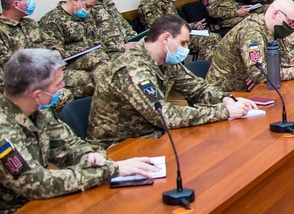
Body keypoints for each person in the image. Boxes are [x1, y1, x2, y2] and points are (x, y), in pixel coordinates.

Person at [0, 48, 158, 214]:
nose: (63, 87)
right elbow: (36, 183)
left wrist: (89, 155)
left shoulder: (35, 110)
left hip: (33, 206)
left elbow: (69, 145)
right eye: (58, 84)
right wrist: (110, 170)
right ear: (37, 95)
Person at [88, 14, 254, 147]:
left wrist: (226, 99)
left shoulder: (166, 61)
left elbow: (197, 88)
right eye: (183, 43)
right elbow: (165, 115)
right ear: (166, 38)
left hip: (152, 136)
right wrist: (224, 111)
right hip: (121, 147)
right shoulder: (132, 69)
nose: (186, 49)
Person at [206, 0, 294, 92]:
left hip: (249, 90)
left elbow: (281, 62)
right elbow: (258, 73)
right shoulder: (251, 31)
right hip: (226, 95)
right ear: (275, 14)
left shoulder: (273, 30)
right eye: (290, 22)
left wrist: (267, 75)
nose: (292, 28)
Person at [0, 0, 73, 112]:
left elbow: (51, 42)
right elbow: (7, 63)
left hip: (50, 72)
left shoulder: (30, 23)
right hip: (28, 81)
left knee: (86, 80)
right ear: (16, 4)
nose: (31, 1)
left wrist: (56, 52)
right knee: (63, 95)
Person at [38, 0, 106, 97]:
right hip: (68, 63)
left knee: (108, 66)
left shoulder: (85, 17)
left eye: (91, 8)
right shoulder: (53, 20)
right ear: (76, 0)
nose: (89, 11)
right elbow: (55, 52)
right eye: (87, 6)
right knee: (90, 78)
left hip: (92, 58)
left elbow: (96, 39)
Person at [136, 0, 219, 59]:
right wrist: (186, 29)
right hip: (168, 40)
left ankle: (211, 64)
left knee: (215, 37)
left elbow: (175, 23)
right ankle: (207, 66)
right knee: (210, 40)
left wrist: (192, 25)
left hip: (177, 34)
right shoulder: (149, 4)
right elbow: (159, 29)